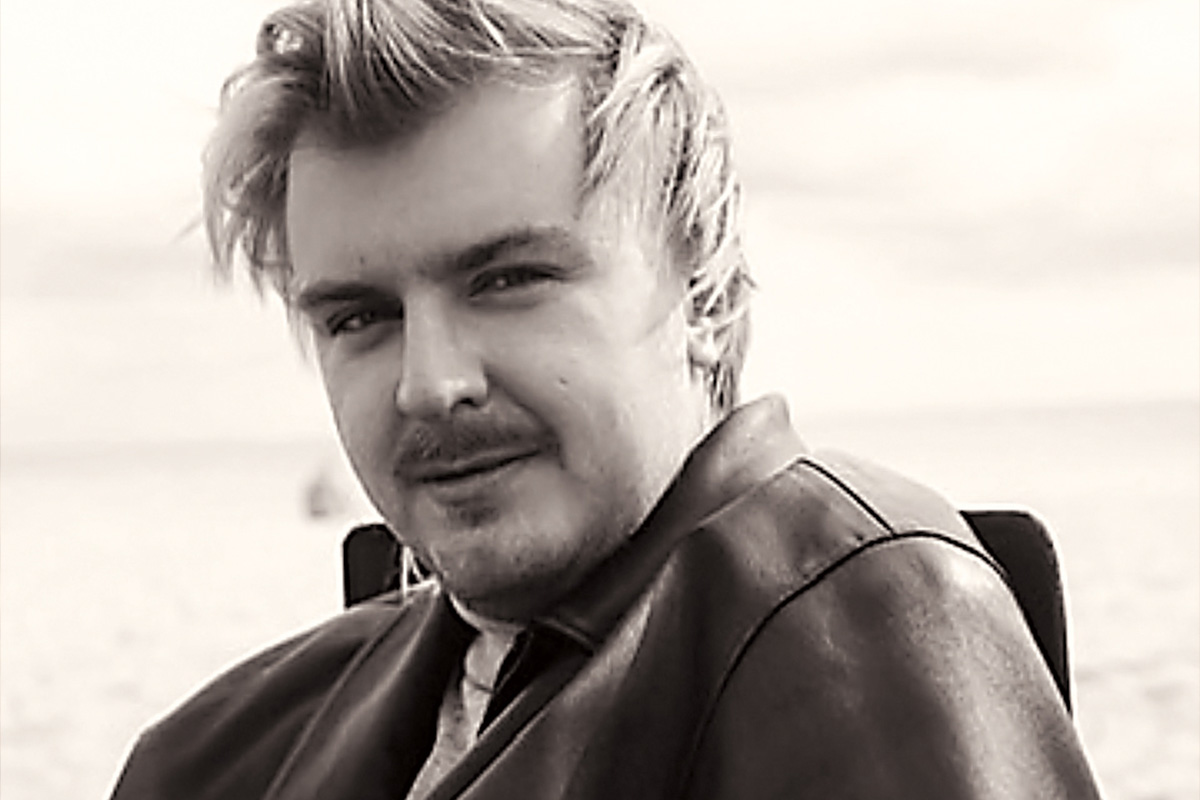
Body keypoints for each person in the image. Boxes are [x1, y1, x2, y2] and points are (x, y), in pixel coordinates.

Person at [111, 1, 1102, 797]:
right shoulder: (214, 757)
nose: (431, 383)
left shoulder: (866, 634)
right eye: (359, 317)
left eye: (508, 280)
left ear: (702, 296)